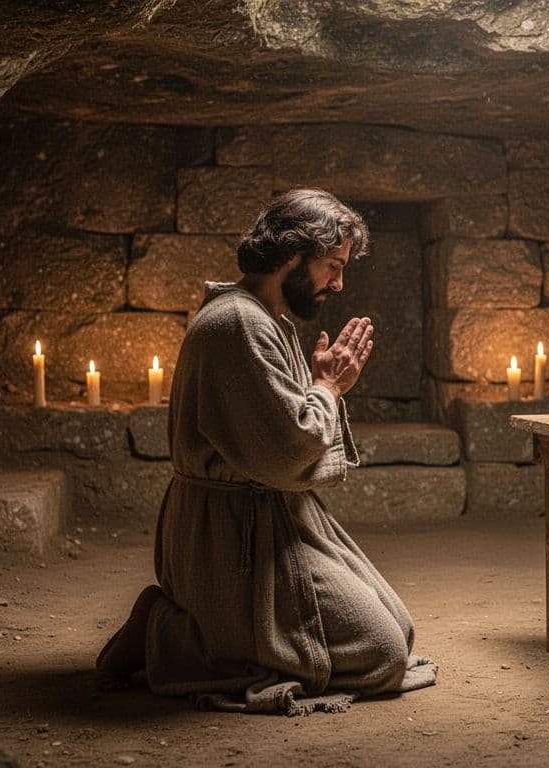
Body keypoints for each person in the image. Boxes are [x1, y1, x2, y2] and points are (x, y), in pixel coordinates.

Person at [96, 188, 436, 714]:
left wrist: (322, 386)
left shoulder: (265, 318)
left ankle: (215, 630)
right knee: (381, 654)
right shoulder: (238, 324)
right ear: (293, 254)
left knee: (398, 627)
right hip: (231, 534)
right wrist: (328, 388)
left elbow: (283, 434)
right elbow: (286, 451)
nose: (339, 283)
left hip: (272, 515)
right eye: (332, 266)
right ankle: (164, 631)